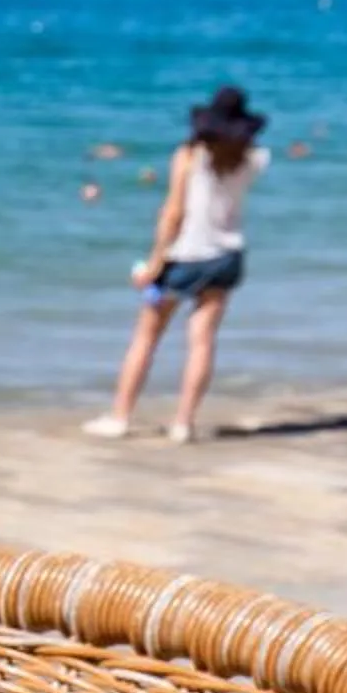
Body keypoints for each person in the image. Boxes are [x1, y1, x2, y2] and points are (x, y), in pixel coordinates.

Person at [86, 86, 271, 444]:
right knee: (202, 341)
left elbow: (174, 212)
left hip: (185, 256)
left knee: (146, 336)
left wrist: (155, 262)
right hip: (227, 255)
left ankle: (121, 417)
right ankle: (184, 423)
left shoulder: (189, 155)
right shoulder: (255, 159)